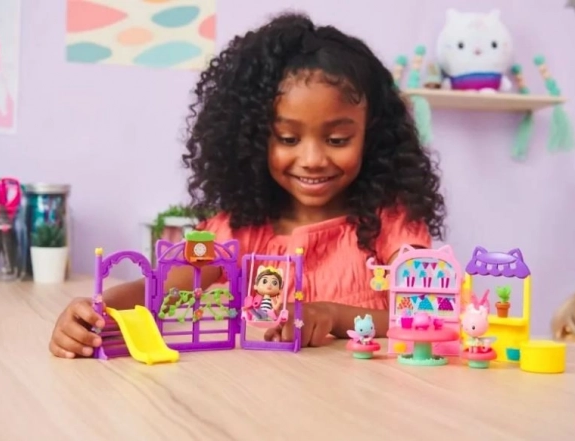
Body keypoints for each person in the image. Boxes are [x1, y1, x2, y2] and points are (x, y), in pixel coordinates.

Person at [48, 12, 446, 359]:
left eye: (337, 140)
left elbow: (429, 314)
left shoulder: (393, 226)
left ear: (371, 136)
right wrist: (94, 310)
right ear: (253, 139)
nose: (312, 158)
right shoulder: (234, 230)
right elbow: (162, 287)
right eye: (288, 138)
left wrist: (335, 316)